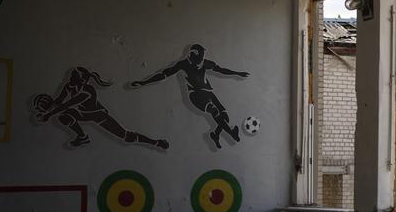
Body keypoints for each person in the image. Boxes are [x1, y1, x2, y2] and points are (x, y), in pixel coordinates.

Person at [130, 44, 248, 149]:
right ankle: (232, 134)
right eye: (199, 58)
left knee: (225, 117)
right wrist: (144, 82)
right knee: (214, 111)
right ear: (192, 56)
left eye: (202, 58)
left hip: (209, 93)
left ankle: (215, 134)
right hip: (196, 95)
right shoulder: (183, 64)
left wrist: (237, 73)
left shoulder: (205, 63)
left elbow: (221, 70)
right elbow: (164, 74)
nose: (201, 61)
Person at [34, 67, 168, 150]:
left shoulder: (87, 90)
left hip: (98, 115)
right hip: (82, 113)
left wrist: (48, 115)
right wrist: (45, 110)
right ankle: (82, 137)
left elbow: (67, 104)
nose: (70, 78)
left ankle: (155, 142)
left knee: (126, 137)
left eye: (73, 77)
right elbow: (59, 102)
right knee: (63, 116)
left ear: (82, 80)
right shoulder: (69, 86)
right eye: (71, 76)